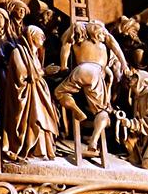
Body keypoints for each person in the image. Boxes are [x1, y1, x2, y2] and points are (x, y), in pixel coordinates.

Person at [54, 20, 128, 154]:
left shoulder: (78, 36)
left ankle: (75, 109)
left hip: (80, 70)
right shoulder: (103, 39)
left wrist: (64, 65)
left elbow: (65, 45)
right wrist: (124, 64)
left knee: (59, 92)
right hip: (96, 73)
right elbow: (116, 47)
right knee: (103, 111)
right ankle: (94, 139)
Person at [2, 25, 59, 160]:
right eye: (40, 35)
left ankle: (43, 151)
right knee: (37, 119)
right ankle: (32, 150)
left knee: (44, 119)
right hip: (28, 97)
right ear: (31, 36)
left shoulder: (35, 56)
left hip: (39, 95)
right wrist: (44, 72)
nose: (43, 38)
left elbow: (36, 74)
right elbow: (22, 74)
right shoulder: (18, 52)